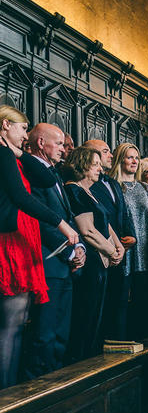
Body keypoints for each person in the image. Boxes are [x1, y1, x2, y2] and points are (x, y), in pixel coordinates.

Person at [0, 107, 78, 388]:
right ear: (6, 125)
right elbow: (22, 197)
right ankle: (7, 396)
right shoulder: (1, 154)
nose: (25, 136)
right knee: (10, 326)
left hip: (17, 241)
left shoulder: (11, 153)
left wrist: (19, 152)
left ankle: (10, 392)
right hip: (7, 241)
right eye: (22, 129)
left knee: (16, 323)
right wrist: (62, 224)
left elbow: (47, 178)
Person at [22, 123, 86, 380]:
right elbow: (40, 220)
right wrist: (69, 252)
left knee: (61, 333)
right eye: (59, 143)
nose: (63, 149)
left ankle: (57, 387)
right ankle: (38, 391)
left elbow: (66, 218)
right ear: (40, 143)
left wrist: (79, 247)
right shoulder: (33, 173)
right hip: (47, 263)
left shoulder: (54, 173)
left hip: (64, 266)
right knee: (44, 336)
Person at [63, 147, 124, 361]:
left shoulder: (90, 191)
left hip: (103, 260)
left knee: (96, 316)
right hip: (90, 262)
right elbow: (87, 230)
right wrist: (111, 251)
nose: (100, 168)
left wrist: (119, 247)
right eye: (95, 164)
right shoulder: (74, 190)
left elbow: (105, 223)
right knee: (86, 315)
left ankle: (91, 361)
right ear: (82, 165)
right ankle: (80, 363)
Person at [85, 139, 135, 344]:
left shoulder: (113, 183)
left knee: (119, 303)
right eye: (105, 151)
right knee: (97, 309)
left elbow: (123, 214)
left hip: (120, 251)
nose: (111, 156)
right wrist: (111, 247)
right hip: (99, 253)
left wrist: (130, 236)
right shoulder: (86, 184)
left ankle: (117, 346)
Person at [110, 143, 148, 340]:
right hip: (124, 248)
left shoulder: (145, 188)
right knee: (120, 299)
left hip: (145, 248)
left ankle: (140, 339)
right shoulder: (113, 185)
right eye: (129, 157)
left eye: (136, 158)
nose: (134, 162)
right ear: (120, 159)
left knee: (143, 298)